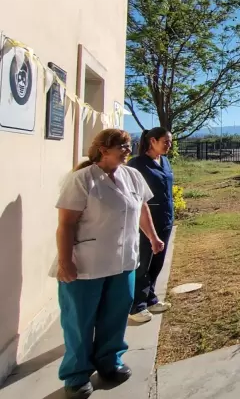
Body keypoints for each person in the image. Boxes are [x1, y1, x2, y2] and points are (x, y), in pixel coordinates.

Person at [53, 129, 165, 399]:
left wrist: (153, 237)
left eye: (129, 145)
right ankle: (76, 375)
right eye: (121, 145)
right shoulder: (82, 180)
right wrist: (65, 261)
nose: (127, 149)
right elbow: (65, 224)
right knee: (80, 321)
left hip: (124, 261)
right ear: (103, 149)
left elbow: (142, 208)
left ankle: (110, 361)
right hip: (87, 264)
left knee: (115, 316)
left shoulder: (132, 176)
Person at [127, 127, 175, 323]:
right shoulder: (136, 165)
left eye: (170, 142)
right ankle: (136, 306)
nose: (169, 145)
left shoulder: (164, 161)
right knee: (143, 263)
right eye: (165, 142)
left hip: (165, 218)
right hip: (147, 221)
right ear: (152, 141)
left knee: (157, 262)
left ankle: (150, 298)